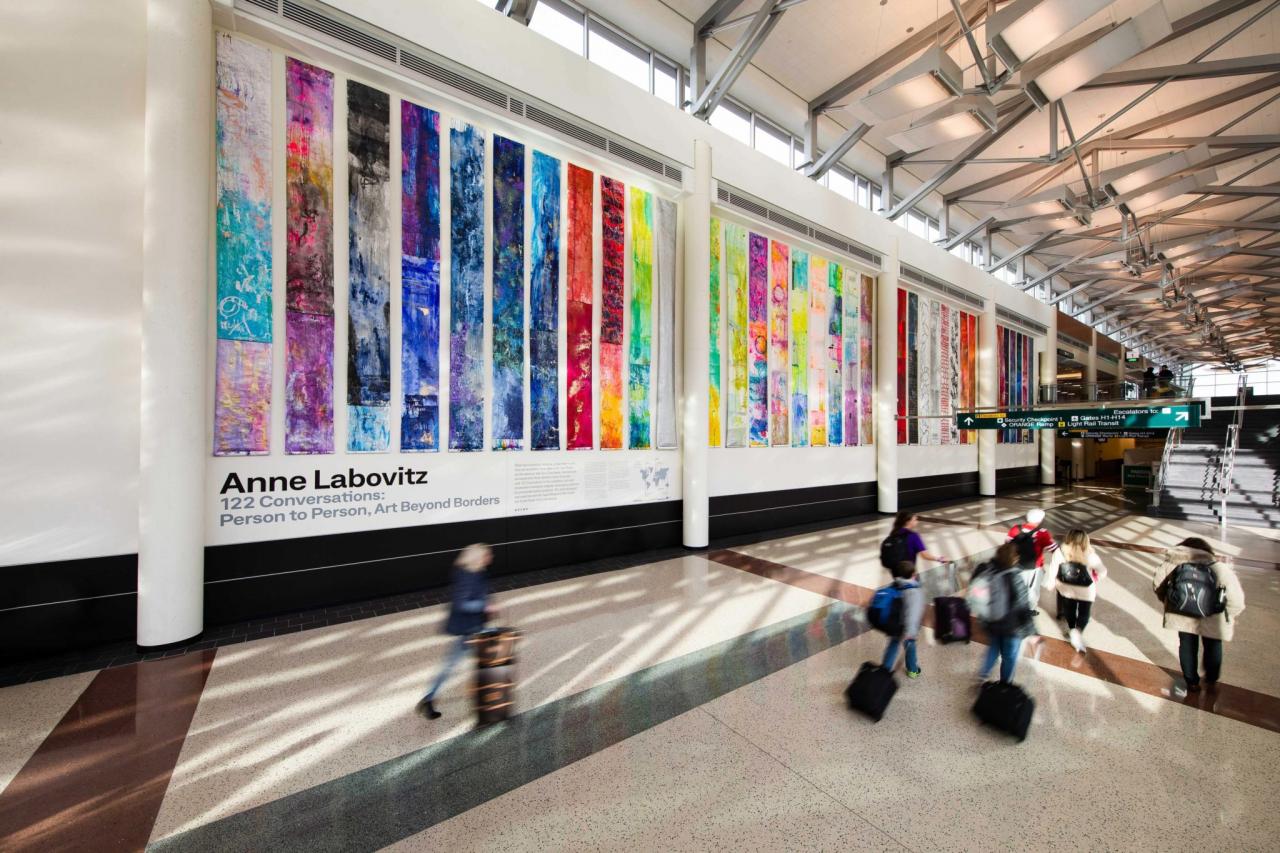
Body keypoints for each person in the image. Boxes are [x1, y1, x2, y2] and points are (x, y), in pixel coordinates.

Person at [1152, 537, 1245, 694]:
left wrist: (1171, 603)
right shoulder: (1219, 567)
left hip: (1182, 612)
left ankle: (1192, 682)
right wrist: (1230, 615)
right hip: (1213, 615)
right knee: (1213, 645)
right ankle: (1211, 678)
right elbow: (1236, 599)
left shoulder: (1172, 563)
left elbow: (1157, 585)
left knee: (1187, 646)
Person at [417, 543, 493, 720]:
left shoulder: (479, 572)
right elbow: (461, 604)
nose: (490, 557)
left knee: (483, 664)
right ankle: (428, 699)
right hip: (468, 630)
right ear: (477, 557)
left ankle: (483, 699)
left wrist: (487, 604)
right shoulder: (466, 576)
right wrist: (485, 605)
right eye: (487, 554)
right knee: (452, 666)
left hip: (476, 626)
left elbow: (482, 594)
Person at [975, 543, 1036, 684]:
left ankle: (983, 674)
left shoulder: (989, 572)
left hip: (993, 621)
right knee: (1009, 657)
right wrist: (1032, 631)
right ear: (1014, 558)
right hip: (1012, 627)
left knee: (993, 649)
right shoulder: (1016, 577)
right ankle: (1005, 684)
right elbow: (1023, 605)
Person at [1046, 528, 1107, 653]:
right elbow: (1102, 571)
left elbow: (1053, 570)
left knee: (1070, 610)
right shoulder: (1090, 554)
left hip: (1065, 588)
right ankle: (1077, 631)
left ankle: (1072, 627)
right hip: (1085, 590)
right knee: (1084, 612)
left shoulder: (1060, 552)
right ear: (1085, 540)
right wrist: (1096, 578)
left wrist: (1051, 583)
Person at [1005, 508, 1056, 615]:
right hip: (1034, 567)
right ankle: (1030, 610)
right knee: (1033, 589)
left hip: (1015, 564)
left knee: (1017, 586)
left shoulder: (1015, 529)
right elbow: (1054, 549)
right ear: (1040, 520)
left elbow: (1007, 544)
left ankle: (1014, 607)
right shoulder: (1042, 533)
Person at [882, 561, 925, 679]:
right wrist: (910, 632)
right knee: (910, 647)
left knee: (893, 644)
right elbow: (913, 613)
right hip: (907, 627)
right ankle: (913, 670)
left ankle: (885, 670)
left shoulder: (895, 584)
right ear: (913, 574)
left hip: (894, 624)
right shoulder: (914, 591)